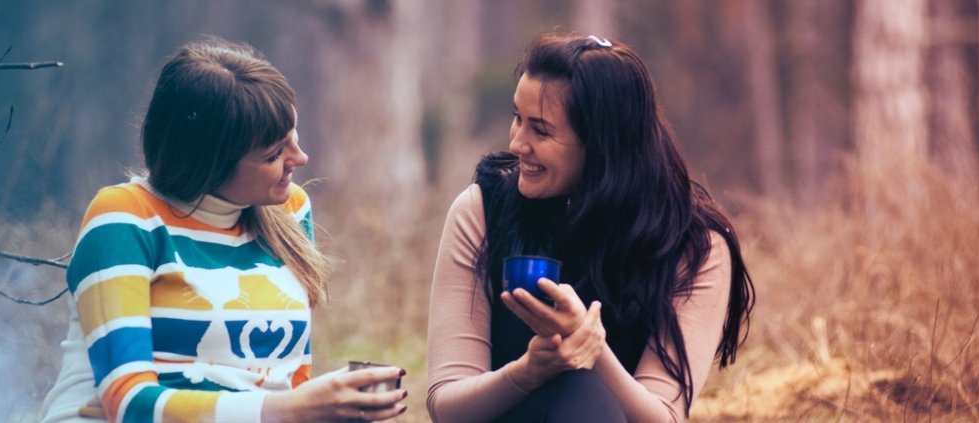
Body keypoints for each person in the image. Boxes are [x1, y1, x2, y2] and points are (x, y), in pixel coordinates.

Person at [39, 37, 407, 423]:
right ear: (209, 163)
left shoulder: (288, 210)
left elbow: (291, 376)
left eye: (293, 137)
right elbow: (129, 404)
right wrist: (285, 410)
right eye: (273, 154)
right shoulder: (125, 217)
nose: (300, 158)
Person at [426, 34, 756, 423]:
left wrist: (592, 351)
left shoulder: (693, 245)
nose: (517, 143)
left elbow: (664, 416)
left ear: (603, 145)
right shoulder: (482, 211)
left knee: (582, 390)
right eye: (517, 117)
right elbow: (446, 405)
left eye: (541, 130)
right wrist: (528, 371)